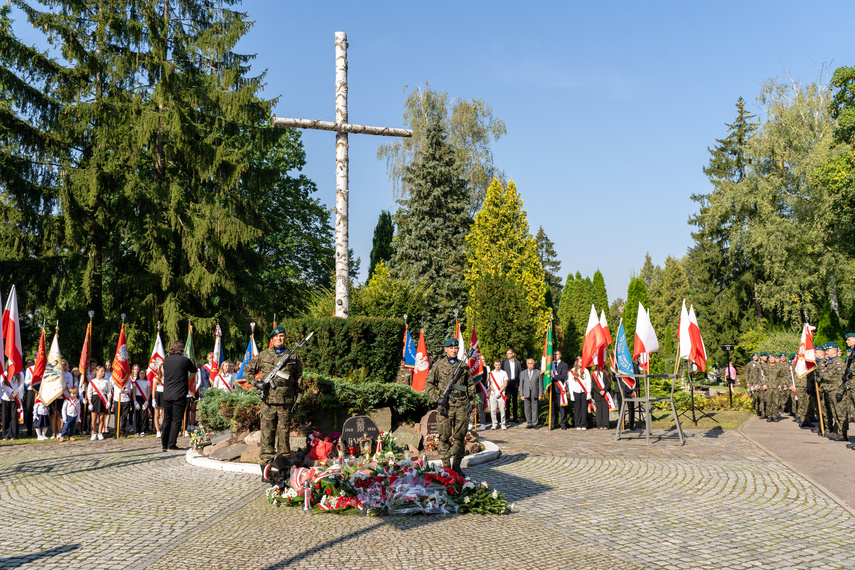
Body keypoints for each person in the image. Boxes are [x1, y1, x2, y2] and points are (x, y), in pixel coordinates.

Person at [243, 326, 303, 464]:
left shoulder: (293, 356)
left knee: (284, 436)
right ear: (272, 339)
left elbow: (299, 382)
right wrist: (256, 383)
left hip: (285, 403)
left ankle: (283, 465)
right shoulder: (264, 355)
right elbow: (247, 370)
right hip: (267, 402)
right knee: (267, 435)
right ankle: (266, 465)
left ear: (285, 338)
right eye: (276, 336)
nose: (279, 338)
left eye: (282, 336)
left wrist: (297, 402)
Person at [425, 338, 474, 475]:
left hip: (461, 406)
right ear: (445, 349)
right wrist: (437, 399)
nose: (454, 350)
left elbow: (470, 385)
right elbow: (428, 384)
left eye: (456, 348)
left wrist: (471, 403)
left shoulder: (463, 366)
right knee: (444, 437)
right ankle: (446, 467)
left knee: (459, 437)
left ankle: (457, 466)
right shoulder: (439, 366)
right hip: (445, 407)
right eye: (451, 348)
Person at [160, 340, 198, 452]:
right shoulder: (184, 360)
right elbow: (194, 369)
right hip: (179, 394)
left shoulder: (166, 361)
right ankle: (171, 444)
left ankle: (164, 444)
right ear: (182, 349)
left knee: (166, 419)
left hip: (166, 394)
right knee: (176, 420)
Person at [87, 366, 111, 440]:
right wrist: (90, 403)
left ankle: (100, 433)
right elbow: (89, 393)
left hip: (103, 400)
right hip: (95, 399)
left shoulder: (106, 381)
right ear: (97, 372)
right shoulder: (92, 382)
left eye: (104, 371)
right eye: (101, 371)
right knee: (93, 419)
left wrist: (109, 402)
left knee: (101, 418)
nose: (103, 373)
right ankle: (93, 433)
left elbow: (109, 392)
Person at [569, 356, 592, 430]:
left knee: (584, 408)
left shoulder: (586, 371)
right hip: (576, 391)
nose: (582, 363)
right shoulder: (572, 371)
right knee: (577, 408)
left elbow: (588, 382)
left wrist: (588, 392)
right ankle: (578, 424)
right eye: (580, 362)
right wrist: (571, 394)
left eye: (582, 362)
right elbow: (570, 383)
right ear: (577, 362)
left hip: (584, 392)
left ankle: (584, 424)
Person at [549, 350, 570, 430]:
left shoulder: (564, 365)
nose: (555, 356)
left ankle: (563, 423)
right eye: (554, 354)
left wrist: (554, 377)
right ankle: (553, 423)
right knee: (552, 407)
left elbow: (564, 376)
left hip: (560, 389)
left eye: (557, 354)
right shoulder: (550, 365)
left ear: (560, 355)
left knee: (562, 407)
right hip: (552, 389)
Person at [519, 358, 542, 429]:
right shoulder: (523, 373)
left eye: (531, 363)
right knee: (527, 408)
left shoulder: (538, 372)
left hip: (535, 392)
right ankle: (529, 423)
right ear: (526, 364)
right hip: (526, 393)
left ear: (534, 364)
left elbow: (540, 384)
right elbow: (521, 384)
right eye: (529, 363)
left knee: (535, 408)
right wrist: (521, 394)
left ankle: (535, 423)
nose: (530, 365)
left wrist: (540, 394)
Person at [1, 368, 24, 440]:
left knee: (14, 416)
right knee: (5, 416)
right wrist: (11, 391)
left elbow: (21, 385)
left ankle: (13, 434)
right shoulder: (4, 374)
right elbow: (3, 385)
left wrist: (14, 394)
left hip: (15, 398)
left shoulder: (20, 374)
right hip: (6, 397)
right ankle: (5, 434)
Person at [501, 349, 522, 424]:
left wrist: (519, 384)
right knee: (507, 400)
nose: (508, 355)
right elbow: (502, 373)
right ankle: (507, 417)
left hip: (515, 383)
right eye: (507, 354)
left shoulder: (518, 363)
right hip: (507, 383)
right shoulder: (504, 363)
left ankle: (515, 418)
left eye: (509, 353)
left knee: (515, 401)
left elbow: (520, 374)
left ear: (513, 354)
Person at [487, 359, 508, 430]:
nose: (497, 366)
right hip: (493, 393)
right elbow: (490, 384)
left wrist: (500, 391)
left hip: (501, 393)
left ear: (500, 365)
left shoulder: (504, 373)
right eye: (496, 365)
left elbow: (505, 383)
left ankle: (503, 424)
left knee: (502, 410)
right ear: (494, 365)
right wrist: (495, 391)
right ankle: (494, 424)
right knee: (493, 410)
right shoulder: (491, 373)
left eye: (498, 365)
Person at [131, 366, 150, 437]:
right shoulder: (136, 382)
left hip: (144, 399)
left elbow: (148, 392)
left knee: (143, 415)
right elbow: (133, 393)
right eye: (141, 373)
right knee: (136, 415)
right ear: (138, 374)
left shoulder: (147, 382)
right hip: (137, 398)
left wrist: (147, 401)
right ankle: (136, 430)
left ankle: (142, 430)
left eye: (143, 373)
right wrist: (135, 402)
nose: (142, 374)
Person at [23, 358, 36, 437]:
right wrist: (34, 381)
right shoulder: (29, 370)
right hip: (31, 390)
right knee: (29, 410)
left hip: (40, 391)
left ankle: (40, 430)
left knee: (41, 410)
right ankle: (29, 430)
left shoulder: (42, 368)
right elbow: (26, 381)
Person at [153, 364, 165, 438]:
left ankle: (163, 429)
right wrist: (153, 399)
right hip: (158, 394)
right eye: (162, 368)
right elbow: (154, 389)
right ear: (160, 369)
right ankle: (158, 431)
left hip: (165, 394)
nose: (163, 369)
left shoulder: (168, 377)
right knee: (157, 414)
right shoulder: (156, 378)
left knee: (164, 413)